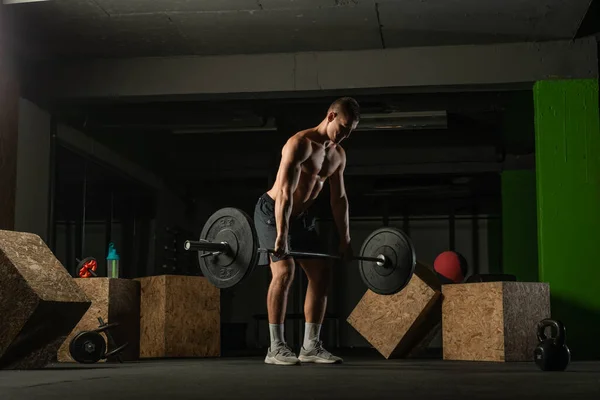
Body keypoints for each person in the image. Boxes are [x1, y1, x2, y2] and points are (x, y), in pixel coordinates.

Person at [254, 97, 360, 365]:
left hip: (301, 217)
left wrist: (345, 240)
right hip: (273, 211)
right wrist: (280, 235)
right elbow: (286, 194)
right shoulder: (299, 143)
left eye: (350, 132)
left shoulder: (338, 155)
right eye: (343, 127)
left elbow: (339, 200)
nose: (344, 136)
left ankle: (310, 347)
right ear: (331, 116)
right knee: (284, 272)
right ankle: (275, 348)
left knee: (322, 273)